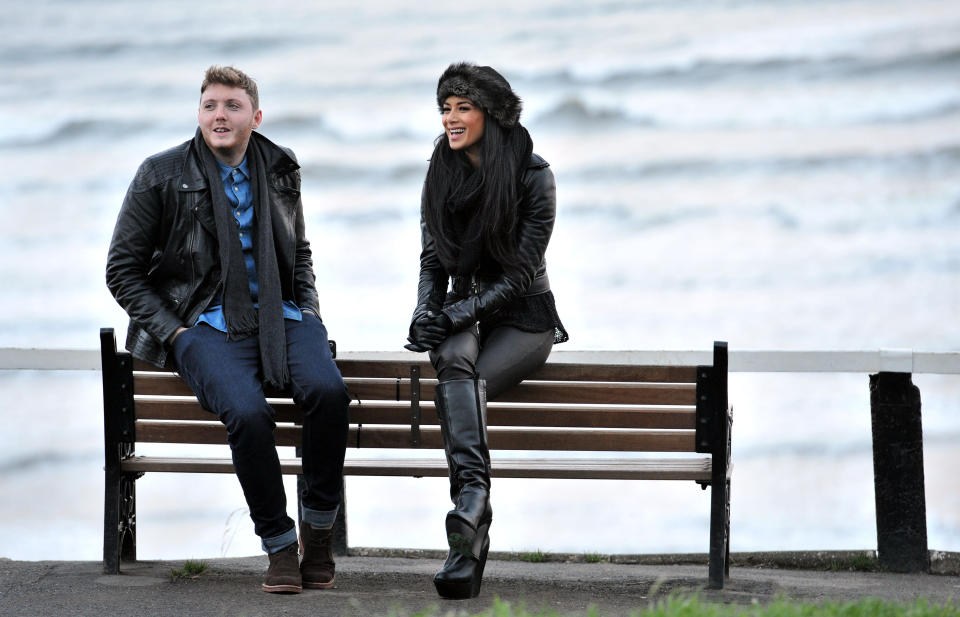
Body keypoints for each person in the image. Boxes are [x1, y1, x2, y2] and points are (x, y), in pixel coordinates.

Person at [106, 65, 350, 594]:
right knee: (245, 412)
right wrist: (177, 334)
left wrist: (309, 311)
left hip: (282, 314)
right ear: (199, 114)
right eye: (210, 105)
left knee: (330, 393)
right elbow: (121, 271)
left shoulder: (281, 166)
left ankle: (320, 533)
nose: (219, 115)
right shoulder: (160, 173)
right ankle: (281, 545)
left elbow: (298, 252)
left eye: (232, 106)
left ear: (255, 117)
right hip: (202, 323)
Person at [405, 62, 569, 599]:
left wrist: (454, 314)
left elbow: (522, 273)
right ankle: (473, 504)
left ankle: (466, 540)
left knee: (465, 385)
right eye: (445, 108)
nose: (450, 119)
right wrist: (427, 312)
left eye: (463, 107)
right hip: (463, 310)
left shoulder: (532, 174)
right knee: (452, 361)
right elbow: (433, 258)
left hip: (523, 315)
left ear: (492, 115)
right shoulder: (442, 167)